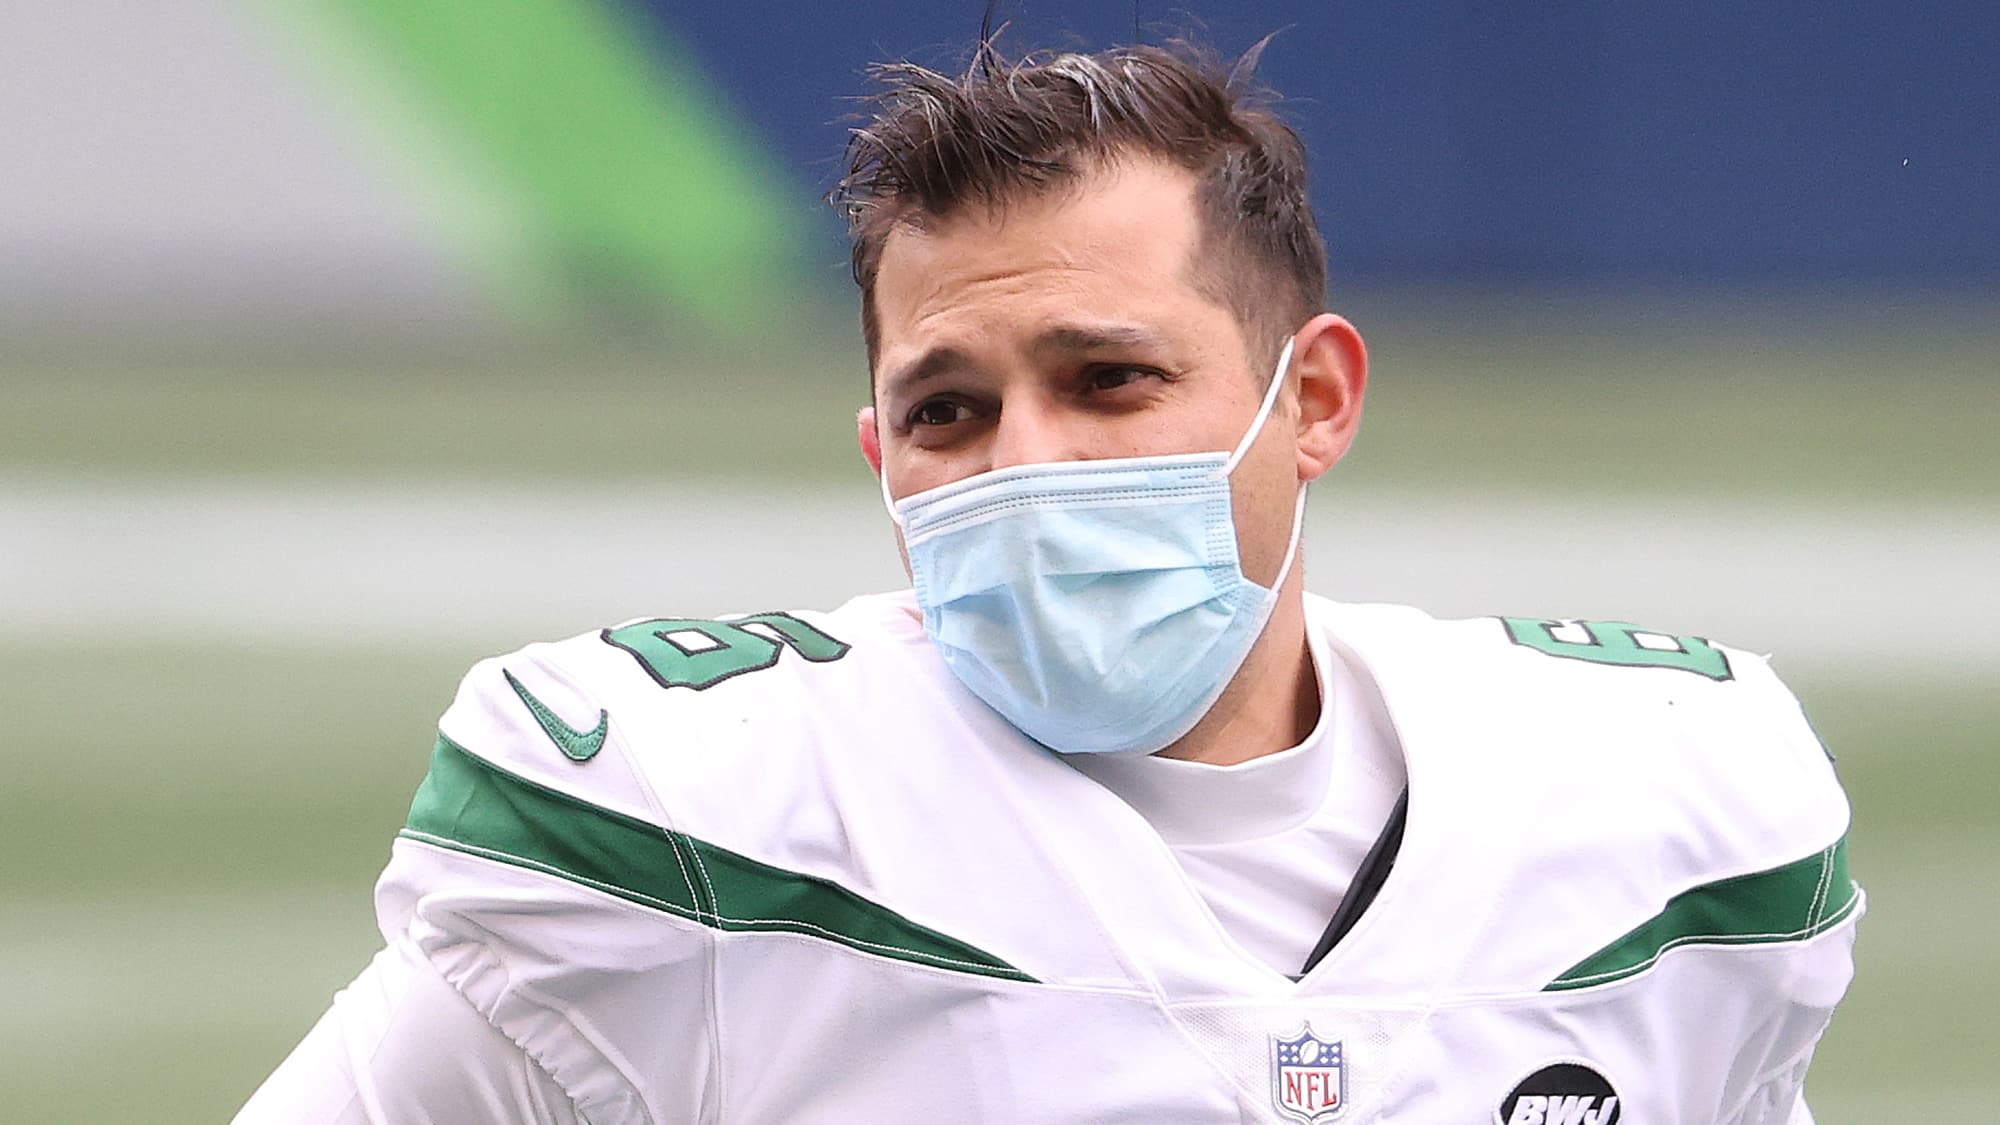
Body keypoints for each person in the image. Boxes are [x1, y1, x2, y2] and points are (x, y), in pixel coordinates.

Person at [235, 39, 1860, 1125]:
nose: (1025, 459)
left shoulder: (1666, 807)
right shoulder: (693, 827)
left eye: (1109, 378)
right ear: (880, 457)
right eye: (950, 408)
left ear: (1314, 401)